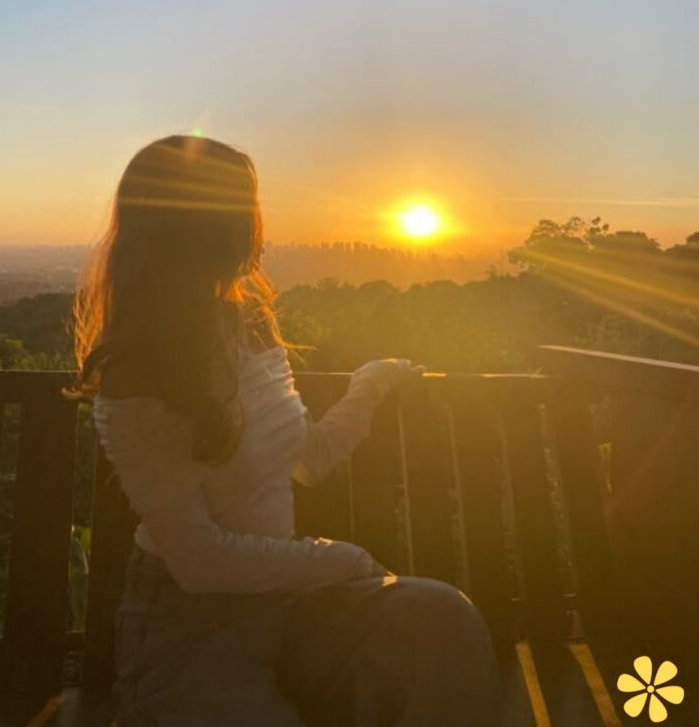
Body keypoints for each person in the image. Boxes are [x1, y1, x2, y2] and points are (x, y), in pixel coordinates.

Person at [65, 134, 501, 726]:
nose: (252, 228)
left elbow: (307, 459)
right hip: (191, 629)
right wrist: (341, 559)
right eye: (240, 210)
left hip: (290, 610)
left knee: (442, 617)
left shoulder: (249, 324)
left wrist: (369, 384)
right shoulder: (136, 371)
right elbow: (200, 562)